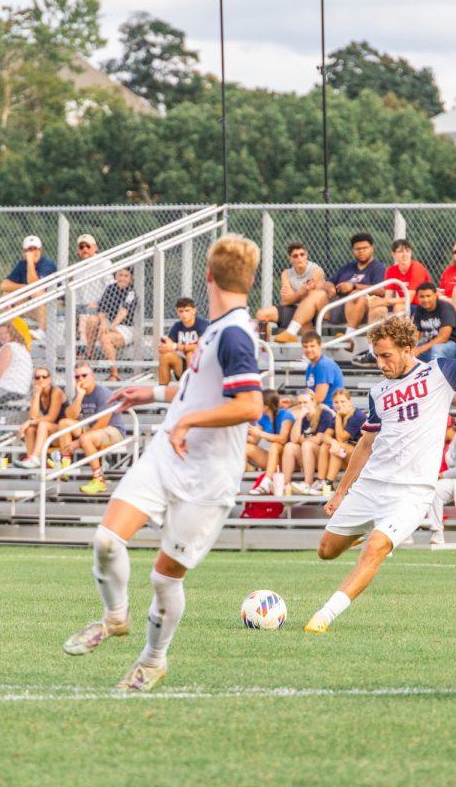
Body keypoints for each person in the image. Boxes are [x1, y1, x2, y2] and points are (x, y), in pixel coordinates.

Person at [61, 234, 263, 692]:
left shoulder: (234, 334)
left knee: (161, 579)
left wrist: (186, 421)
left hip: (209, 479)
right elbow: (199, 388)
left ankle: (153, 661)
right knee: (108, 540)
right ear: (250, 281)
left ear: (208, 276)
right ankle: (116, 618)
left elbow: (250, 406)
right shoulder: (219, 327)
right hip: (167, 459)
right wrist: (151, 393)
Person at [304, 314, 456, 633]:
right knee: (326, 551)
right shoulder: (378, 393)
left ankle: (323, 616)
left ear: (409, 349)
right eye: (377, 356)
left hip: (411, 493)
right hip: (371, 486)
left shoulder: (439, 373)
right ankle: (375, 531)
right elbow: (365, 444)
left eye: (386, 355)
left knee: (376, 546)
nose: (381, 363)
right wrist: (340, 491)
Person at [353, 239, 434, 366]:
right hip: (402, 305)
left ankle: (399, 344)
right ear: (393, 254)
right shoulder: (391, 270)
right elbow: (388, 297)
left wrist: (383, 301)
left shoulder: (416, 267)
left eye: (407, 251)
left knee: (399, 305)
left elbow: (410, 298)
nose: (404, 254)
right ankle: (372, 351)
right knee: (378, 309)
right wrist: (378, 302)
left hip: (421, 307)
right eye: (400, 251)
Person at [55, 364, 127, 496]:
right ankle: (65, 465)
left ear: (92, 376)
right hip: (94, 429)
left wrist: (76, 443)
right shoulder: (80, 392)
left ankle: (99, 480)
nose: (81, 379)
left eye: (84, 375)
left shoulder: (103, 393)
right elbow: (70, 416)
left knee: (85, 438)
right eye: (77, 377)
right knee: (64, 423)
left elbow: (102, 423)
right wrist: (80, 397)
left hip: (113, 430)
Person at [318, 233, 387, 345]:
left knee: (356, 294)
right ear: (353, 251)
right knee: (315, 294)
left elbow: (381, 290)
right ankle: (302, 335)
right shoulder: (347, 268)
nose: (361, 251)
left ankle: (349, 335)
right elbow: (329, 281)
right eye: (357, 249)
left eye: (365, 248)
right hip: (340, 308)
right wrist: (331, 288)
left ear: (372, 249)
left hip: (364, 311)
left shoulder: (378, 268)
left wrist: (354, 286)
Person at [256, 242, 326, 340]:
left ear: (306, 255)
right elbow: (286, 301)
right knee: (262, 315)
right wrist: (301, 292)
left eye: (302, 254)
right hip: (293, 309)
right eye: (295, 256)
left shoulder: (316, 271)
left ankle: (311, 349)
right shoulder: (286, 273)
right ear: (290, 259)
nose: (299, 258)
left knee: (305, 319)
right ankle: (265, 350)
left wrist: (294, 296)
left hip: (312, 312)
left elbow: (314, 298)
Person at [280, 390, 336, 496]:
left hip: (323, 460)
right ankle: (285, 485)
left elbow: (318, 440)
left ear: (313, 401)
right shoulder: (303, 418)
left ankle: (308, 483)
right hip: (307, 458)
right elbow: (294, 440)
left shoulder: (325, 414)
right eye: (300, 403)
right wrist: (299, 418)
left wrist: (303, 439)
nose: (302, 406)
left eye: (305, 402)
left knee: (306, 445)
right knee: (289, 446)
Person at [85, 267, 137, 381]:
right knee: (92, 320)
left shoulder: (131, 291)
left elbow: (123, 312)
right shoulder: (110, 288)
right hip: (110, 322)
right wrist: (103, 322)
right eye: (120, 275)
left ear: (131, 278)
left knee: (105, 337)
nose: (122, 278)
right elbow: (102, 309)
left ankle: (114, 373)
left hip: (126, 327)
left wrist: (111, 327)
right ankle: (89, 355)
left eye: (126, 275)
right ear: (116, 276)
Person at [1, 234, 57, 331]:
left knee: (36, 291)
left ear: (40, 250)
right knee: (7, 294)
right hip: (32, 306)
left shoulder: (47, 263)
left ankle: (42, 332)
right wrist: (24, 287)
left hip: (53, 305)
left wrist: (30, 262)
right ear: (24, 253)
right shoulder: (22, 264)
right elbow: (4, 285)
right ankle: (10, 329)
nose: (33, 252)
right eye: (29, 250)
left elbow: (34, 285)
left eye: (35, 249)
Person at [316, 388, 367, 492]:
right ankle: (321, 480)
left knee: (337, 447)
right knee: (327, 446)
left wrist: (338, 416)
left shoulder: (357, 415)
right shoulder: (337, 416)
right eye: (336, 402)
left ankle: (328, 482)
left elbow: (341, 437)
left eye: (342, 401)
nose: (339, 405)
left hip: (359, 458)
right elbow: (325, 436)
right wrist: (333, 442)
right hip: (344, 453)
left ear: (349, 401)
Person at [16, 367, 67, 469]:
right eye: (37, 377)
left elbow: (51, 417)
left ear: (49, 379)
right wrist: (37, 394)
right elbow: (33, 416)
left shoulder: (56, 391)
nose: (41, 380)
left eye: (44, 377)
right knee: (30, 429)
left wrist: (28, 422)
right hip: (51, 432)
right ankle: (31, 460)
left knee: (42, 425)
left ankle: (35, 458)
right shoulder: (37, 394)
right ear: (34, 380)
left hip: (64, 432)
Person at [246, 390, 295, 497]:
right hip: (274, 460)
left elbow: (282, 439)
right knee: (247, 447)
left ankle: (266, 482)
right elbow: (254, 440)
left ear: (267, 406)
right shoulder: (263, 418)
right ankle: (236, 484)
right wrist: (243, 433)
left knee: (275, 445)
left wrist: (260, 433)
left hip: (288, 461)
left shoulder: (285, 414)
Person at [158, 297, 209, 386]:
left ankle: (191, 388)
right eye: (181, 311)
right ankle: (162, 389)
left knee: (191, 354)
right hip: (182, 365)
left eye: (187, 310)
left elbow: (201, 346)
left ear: (194, 310)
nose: (184, 314)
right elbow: (169, 344)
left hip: (201, 366)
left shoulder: (202, 324)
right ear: (177, 312)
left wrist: (176, 346)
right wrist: (164, 346)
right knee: (165, 355)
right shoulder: (177, 326)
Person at [411, 283, 456, 361]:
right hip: (430, 343)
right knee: (409, 353)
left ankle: (438, 372)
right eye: (422, 296)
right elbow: (416, 334)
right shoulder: (420, 309)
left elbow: (443, 337)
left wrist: (420, 349)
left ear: (435, 295)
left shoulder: (445, 307)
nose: (425, 299)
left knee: (436, 349)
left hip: (451, 344)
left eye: (428, 296)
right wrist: (412, 348)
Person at [73, 233, 109, 333]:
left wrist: (99, 303)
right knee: (61, 313)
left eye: (88, 246)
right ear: (78, 250)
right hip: (83, 308)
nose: (85, 250)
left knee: (86, 317)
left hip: (101, 307)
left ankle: (83, 345)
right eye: (81, 247)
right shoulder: (77, 268)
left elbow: (111, 289)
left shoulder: (103, 263)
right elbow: (77, 296)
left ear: (95, 247)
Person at [301, 331, 343, 407]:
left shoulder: (324, 365)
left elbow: (319, 398)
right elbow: (308, 393)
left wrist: (297, 404)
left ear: (320, 346)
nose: (308, 350)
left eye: (312, 346)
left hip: (329, 410)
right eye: (305, 347)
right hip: (316, 407)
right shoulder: (310, 365)